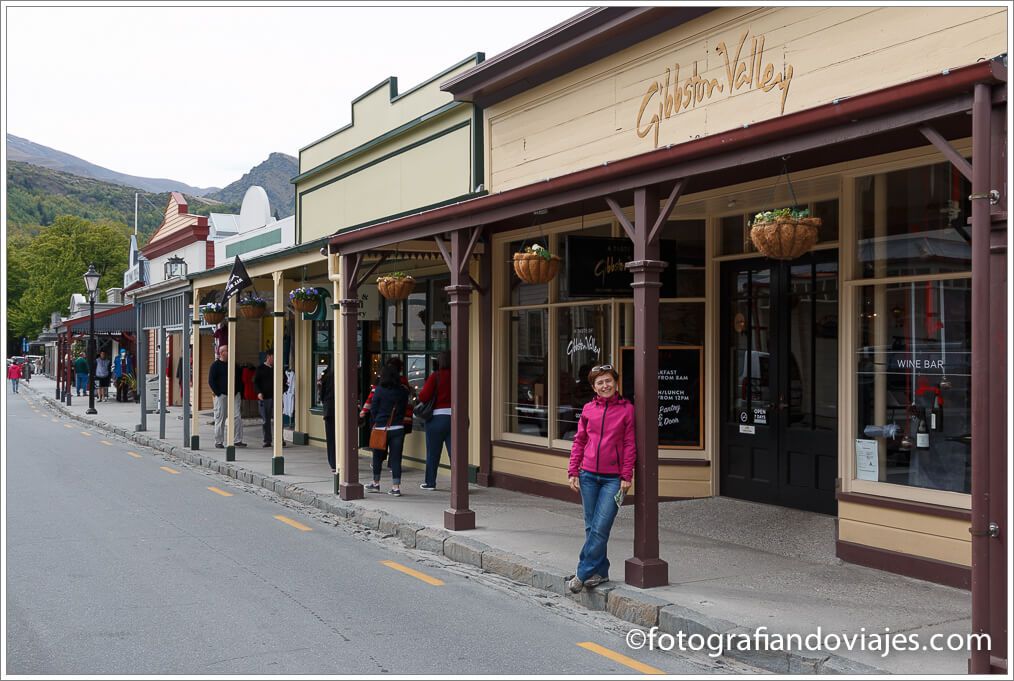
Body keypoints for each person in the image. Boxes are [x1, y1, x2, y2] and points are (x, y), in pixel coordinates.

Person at [566, 364, 636, 593]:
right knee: (591, 527)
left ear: (615, 383)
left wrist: (626, 474)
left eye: (608, 381)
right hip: (587, 475)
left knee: (600, 527)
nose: (605, 385)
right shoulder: (588, 409)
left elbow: (629, 444)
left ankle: (582, 572)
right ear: (594, 387)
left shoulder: (627, 410)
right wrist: (573, 470)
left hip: (612, 479)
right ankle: (600, 572)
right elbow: (580, 441)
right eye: (600, 382)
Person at [364, 364, 409, 497]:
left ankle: (376, 483)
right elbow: (405, 408)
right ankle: (396, 487)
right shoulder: (403, 391)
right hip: (398, 428)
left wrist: (378, 420)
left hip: (381, 427)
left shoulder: (379, 390)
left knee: (377, 457)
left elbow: (373, 409)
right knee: (396, 458)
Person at [416, 351, 452, 490]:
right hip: (454, 418)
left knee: (433, 452)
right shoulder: (458, 376)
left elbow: (424, 396)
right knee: (455, 454)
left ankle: (430, 482)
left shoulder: (435, 376)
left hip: (436, 418)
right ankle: (459, 483)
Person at [208, 344, 246, 449]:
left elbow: (239, 379)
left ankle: (237, 440)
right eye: (228, 350)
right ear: (221, 353)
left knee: (237, 417)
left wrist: (239, 391)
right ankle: (219, 441)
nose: (230, 352)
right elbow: (211, 381)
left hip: (235, 394)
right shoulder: (215, 365)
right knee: (220, 417)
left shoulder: (234, 365)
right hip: (222, 395)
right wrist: (218, 393)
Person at [253, 350, 289, 448]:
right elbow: (255, 382)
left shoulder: (278, 368)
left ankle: (279, 439)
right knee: (266, 420)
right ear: (268, 357)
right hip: (265, 398)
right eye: (273, 357)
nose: (275, 359)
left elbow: (285, 381)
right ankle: (267, 440)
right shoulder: (260, 369)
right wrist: (259, 392)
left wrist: (284, 389)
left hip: (276, 397)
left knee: (279, 419)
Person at [318, 365, 336, 473]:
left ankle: (333, 462)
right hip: (342, 409)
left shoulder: (326, 375)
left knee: (331, 437)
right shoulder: (347, 373)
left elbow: (321, 394)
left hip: (329, 409)